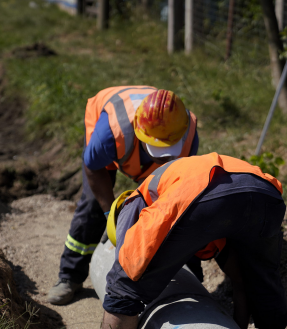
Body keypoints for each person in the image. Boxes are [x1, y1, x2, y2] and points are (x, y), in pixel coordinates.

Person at [66, 153, 287, 329]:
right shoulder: (169, 183)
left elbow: (124, 288)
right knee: (261, 278)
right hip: (265, 193)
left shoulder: (133, 206)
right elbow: (240, 282)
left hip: (201, 194)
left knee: (122, 288)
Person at [47, 86, 202, 305]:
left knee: (171, 211)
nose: (163, 156)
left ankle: (186, 273)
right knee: (92, 204)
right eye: (158, 149)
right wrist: (111, 214)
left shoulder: (186, 133)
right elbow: (93, 168)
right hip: (107, 126)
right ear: (141, 134)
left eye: (168, 148)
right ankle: (69, 276)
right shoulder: (111, 131)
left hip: (142, 136)